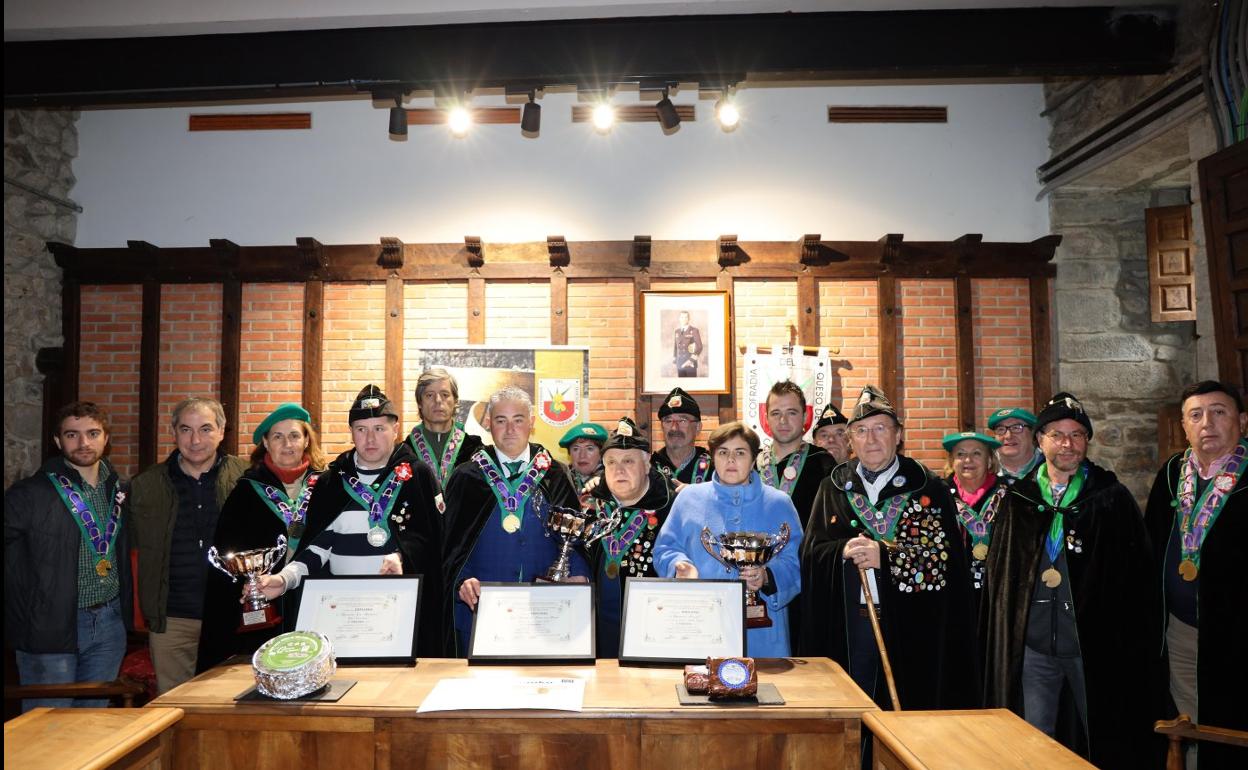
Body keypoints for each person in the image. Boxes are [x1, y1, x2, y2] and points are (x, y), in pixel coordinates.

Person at [983, 392, 1162, 769]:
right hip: (1033, 646)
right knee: (1032, 741)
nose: (1068, 443)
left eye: (1078, 434)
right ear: (1041, 440)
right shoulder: (1020, 499)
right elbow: (1002, 578)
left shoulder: (1109, 498)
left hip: (1092, 647)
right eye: (1058, 435)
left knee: (1105, 733)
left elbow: (1137, 584)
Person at [799, 385, 978, 710]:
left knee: (905, 715)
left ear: (898, 435)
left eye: (881, 429)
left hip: (912, 628)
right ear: (850, 439)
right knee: (851, 715)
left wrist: (886, 557)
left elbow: (943, 563)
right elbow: (810, 555)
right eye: (862, 431)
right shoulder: (834, 487)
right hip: (849, 625)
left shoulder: (927, 487)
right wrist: (840, 551)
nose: (871, 440)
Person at [257, 386, 446, 657]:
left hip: (398, 614)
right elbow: (318, 547)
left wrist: (403, 556)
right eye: (361, 429)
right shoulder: (331, 481)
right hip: (342, 616)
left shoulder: (418, 475)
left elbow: (433, 541)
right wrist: (285, 579)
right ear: (352, 432)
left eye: (379, 428)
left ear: (395, 429)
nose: (370, 438)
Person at [1143, 380, 1248, 770]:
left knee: (1233, 726)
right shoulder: (1172, 474)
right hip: (1181, 630)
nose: (1208, 423)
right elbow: (1149, 547)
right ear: (1184, 427)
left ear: (1241, 420)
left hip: (1237, 635)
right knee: (1186, 723)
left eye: (1219, 412)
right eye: (1196, 415)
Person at [5, 401, 131, 710]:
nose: (83, 442)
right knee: (47, 729)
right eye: (72, 435)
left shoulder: (118, 489)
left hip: (108, 624)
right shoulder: (29, 493)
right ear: (58, 441)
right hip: (49, 626)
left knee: (91, 728)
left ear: (106, 438)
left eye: (92, 433)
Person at [442, 385, 585, 655]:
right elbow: (452, 545)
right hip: (481, 609)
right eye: (500, 420)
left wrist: (578, 577)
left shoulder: (555, 473)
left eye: (518, 420)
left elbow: (573, 538)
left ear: (531, 423)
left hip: (544, 610)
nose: (510, 429)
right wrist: (463, 579)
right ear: (488, 424)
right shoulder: (466, 476)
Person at [195, 403, 327, 673]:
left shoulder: (327, 485)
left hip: (316, 600)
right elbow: (228, 553)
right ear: (266, 443)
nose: (287, 444)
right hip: (266, 603)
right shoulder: (246, 491)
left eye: (294, 436)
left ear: (306, 441)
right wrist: (248, 584)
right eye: (277, 437)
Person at [654, 421, 802, 657]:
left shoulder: (779, 503)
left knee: (765, 691)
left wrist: (766, 576)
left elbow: (794, 562)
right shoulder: (688, 498)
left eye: (740, 453)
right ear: (713, 458)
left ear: (754, 459)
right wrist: (679, 566)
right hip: (700, 625)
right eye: (723, 452)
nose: (731, 460)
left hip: (762, 631)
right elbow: (665, 548)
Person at [130, 397, 246, 694]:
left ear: (222, 431)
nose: (195, 440)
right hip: (172, 620)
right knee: (174, 708)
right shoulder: (145, 485)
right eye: (186, 429)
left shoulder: (247, 479)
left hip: (232, 615)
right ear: (174, 432)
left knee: (231, 704)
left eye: (206, 429)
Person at [585, 417, 675, 658]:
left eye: (628, 461)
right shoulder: (591, 507)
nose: (619, 469)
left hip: (656, 627)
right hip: (598, 629)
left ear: (646, 465)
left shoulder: (672, 507)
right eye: (611, 462)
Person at [940, 431, 1008, 617]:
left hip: (998, 594)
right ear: (952, 461)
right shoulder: (939, 496)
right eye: (960, 454)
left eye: (977, 453)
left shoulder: (1009, 496)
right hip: (952, 594)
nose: (967, 459)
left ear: (989, 460)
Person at [406, 367, 484, 494]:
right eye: (429, 395)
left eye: (445, 395)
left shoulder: (476, 451)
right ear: (419, 403)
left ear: (455, 401)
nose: (438, 400)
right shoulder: (405, 453)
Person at [651, 387, 711, 491]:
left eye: (682, 420)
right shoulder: (650, 466)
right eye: (668, 421)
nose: (674, 427)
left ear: (698, 427)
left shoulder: (714, 467)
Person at [988, 407, 1043, 481]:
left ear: (1033, 433)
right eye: (1001, 429)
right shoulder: (983, 470)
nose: (1008, 436)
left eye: (1016, 428)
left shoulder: (1050, 467)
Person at [559, 422, 608, 492]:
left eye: (589, 449)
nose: (582, 455)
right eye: (576, 449)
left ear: (601, 453)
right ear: (569, 454)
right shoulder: (561, 481)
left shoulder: (612, 479)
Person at [672, 311, 703, 378]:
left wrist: (691, 360)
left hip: (690, 363)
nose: (684, 319)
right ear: (679, 318)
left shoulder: (694, 330)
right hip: (680, 363)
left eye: (686, 317)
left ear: (689, 319)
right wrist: (674, 358)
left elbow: (699, 347)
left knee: (692, 385)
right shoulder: (677, 331)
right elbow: (675, 346)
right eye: (682, 317)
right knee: (681, 385)